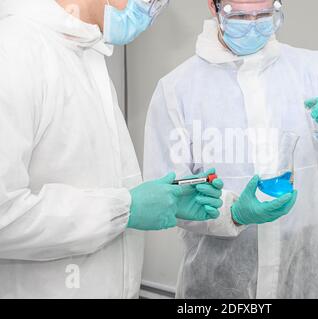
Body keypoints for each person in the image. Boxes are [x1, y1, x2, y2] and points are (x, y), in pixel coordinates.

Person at [143, 0, 318, 298]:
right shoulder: (177, 89)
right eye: (241, 15)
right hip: (216, 288)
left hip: (305, 280)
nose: (254, 24)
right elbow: (167, 196)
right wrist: (232, 213)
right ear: (213, 6)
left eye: (265, 14)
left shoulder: (310, 69)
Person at [0, 0, 222, 299]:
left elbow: (88, 181)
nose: (150, 10)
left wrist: (166, 201)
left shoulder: (83, 54)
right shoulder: (15, 50)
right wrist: (125, 209)